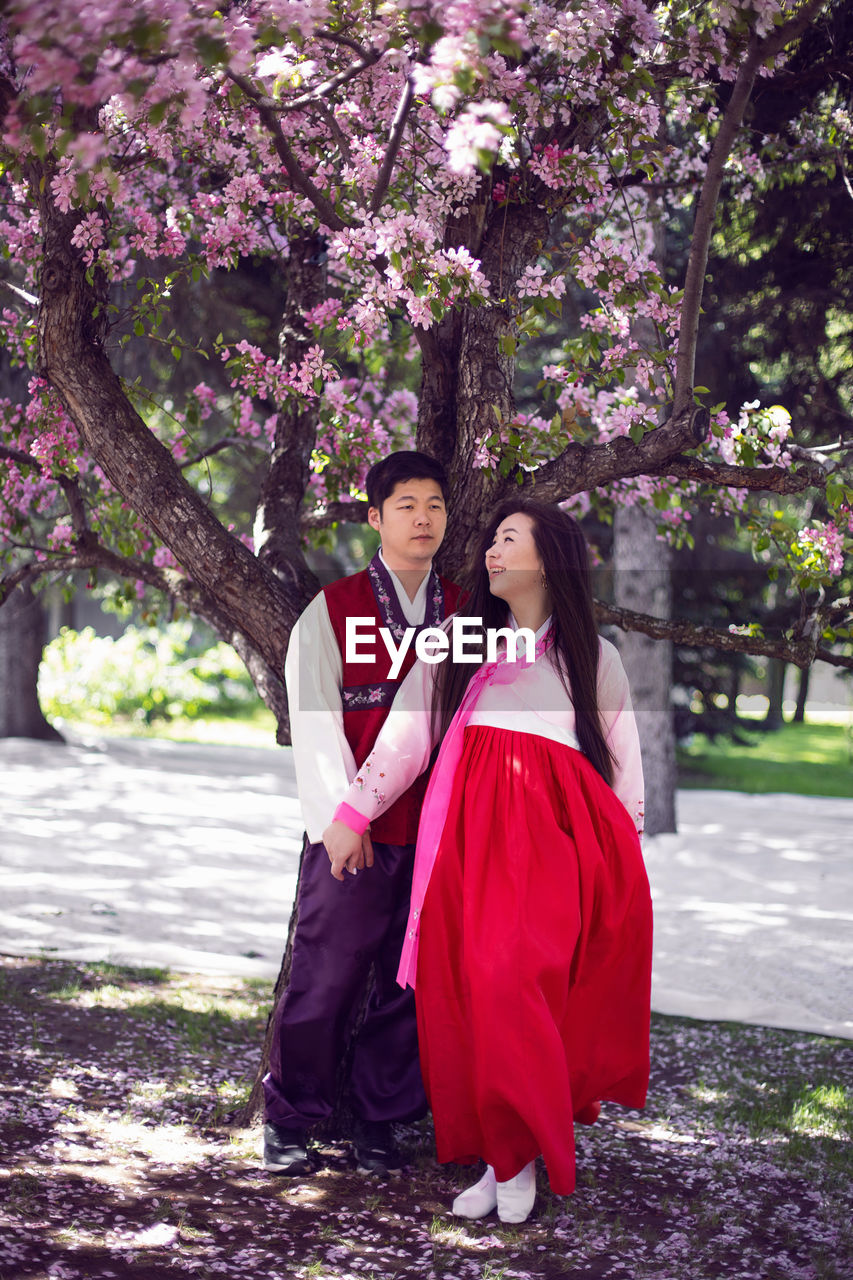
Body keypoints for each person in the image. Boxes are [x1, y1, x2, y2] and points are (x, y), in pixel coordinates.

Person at [323, 499, 652, 1223]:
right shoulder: (459, 643)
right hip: (467, 847)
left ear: (548, 557)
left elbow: (624, 770)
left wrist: (624, 871)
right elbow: (407, 735)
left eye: (509, 539)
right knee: (465, 999)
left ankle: (519, 1154)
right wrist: (352, 813)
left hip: (551, 854)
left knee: (514, 986)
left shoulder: (594, 657)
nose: (491, 551)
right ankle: (501, 1156)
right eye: (492, 540)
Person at [263, 451, 463, 1177]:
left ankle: (380, 1120)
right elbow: (315, 721)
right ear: (375, 518)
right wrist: (339, 821)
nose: (422, 518)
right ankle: (290, 1117)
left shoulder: (468, 611)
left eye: (435, 505)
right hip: (353, 831)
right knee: (325, 976)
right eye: (406, 505)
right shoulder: (333, 609)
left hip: (439, 833)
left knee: (408, 985)